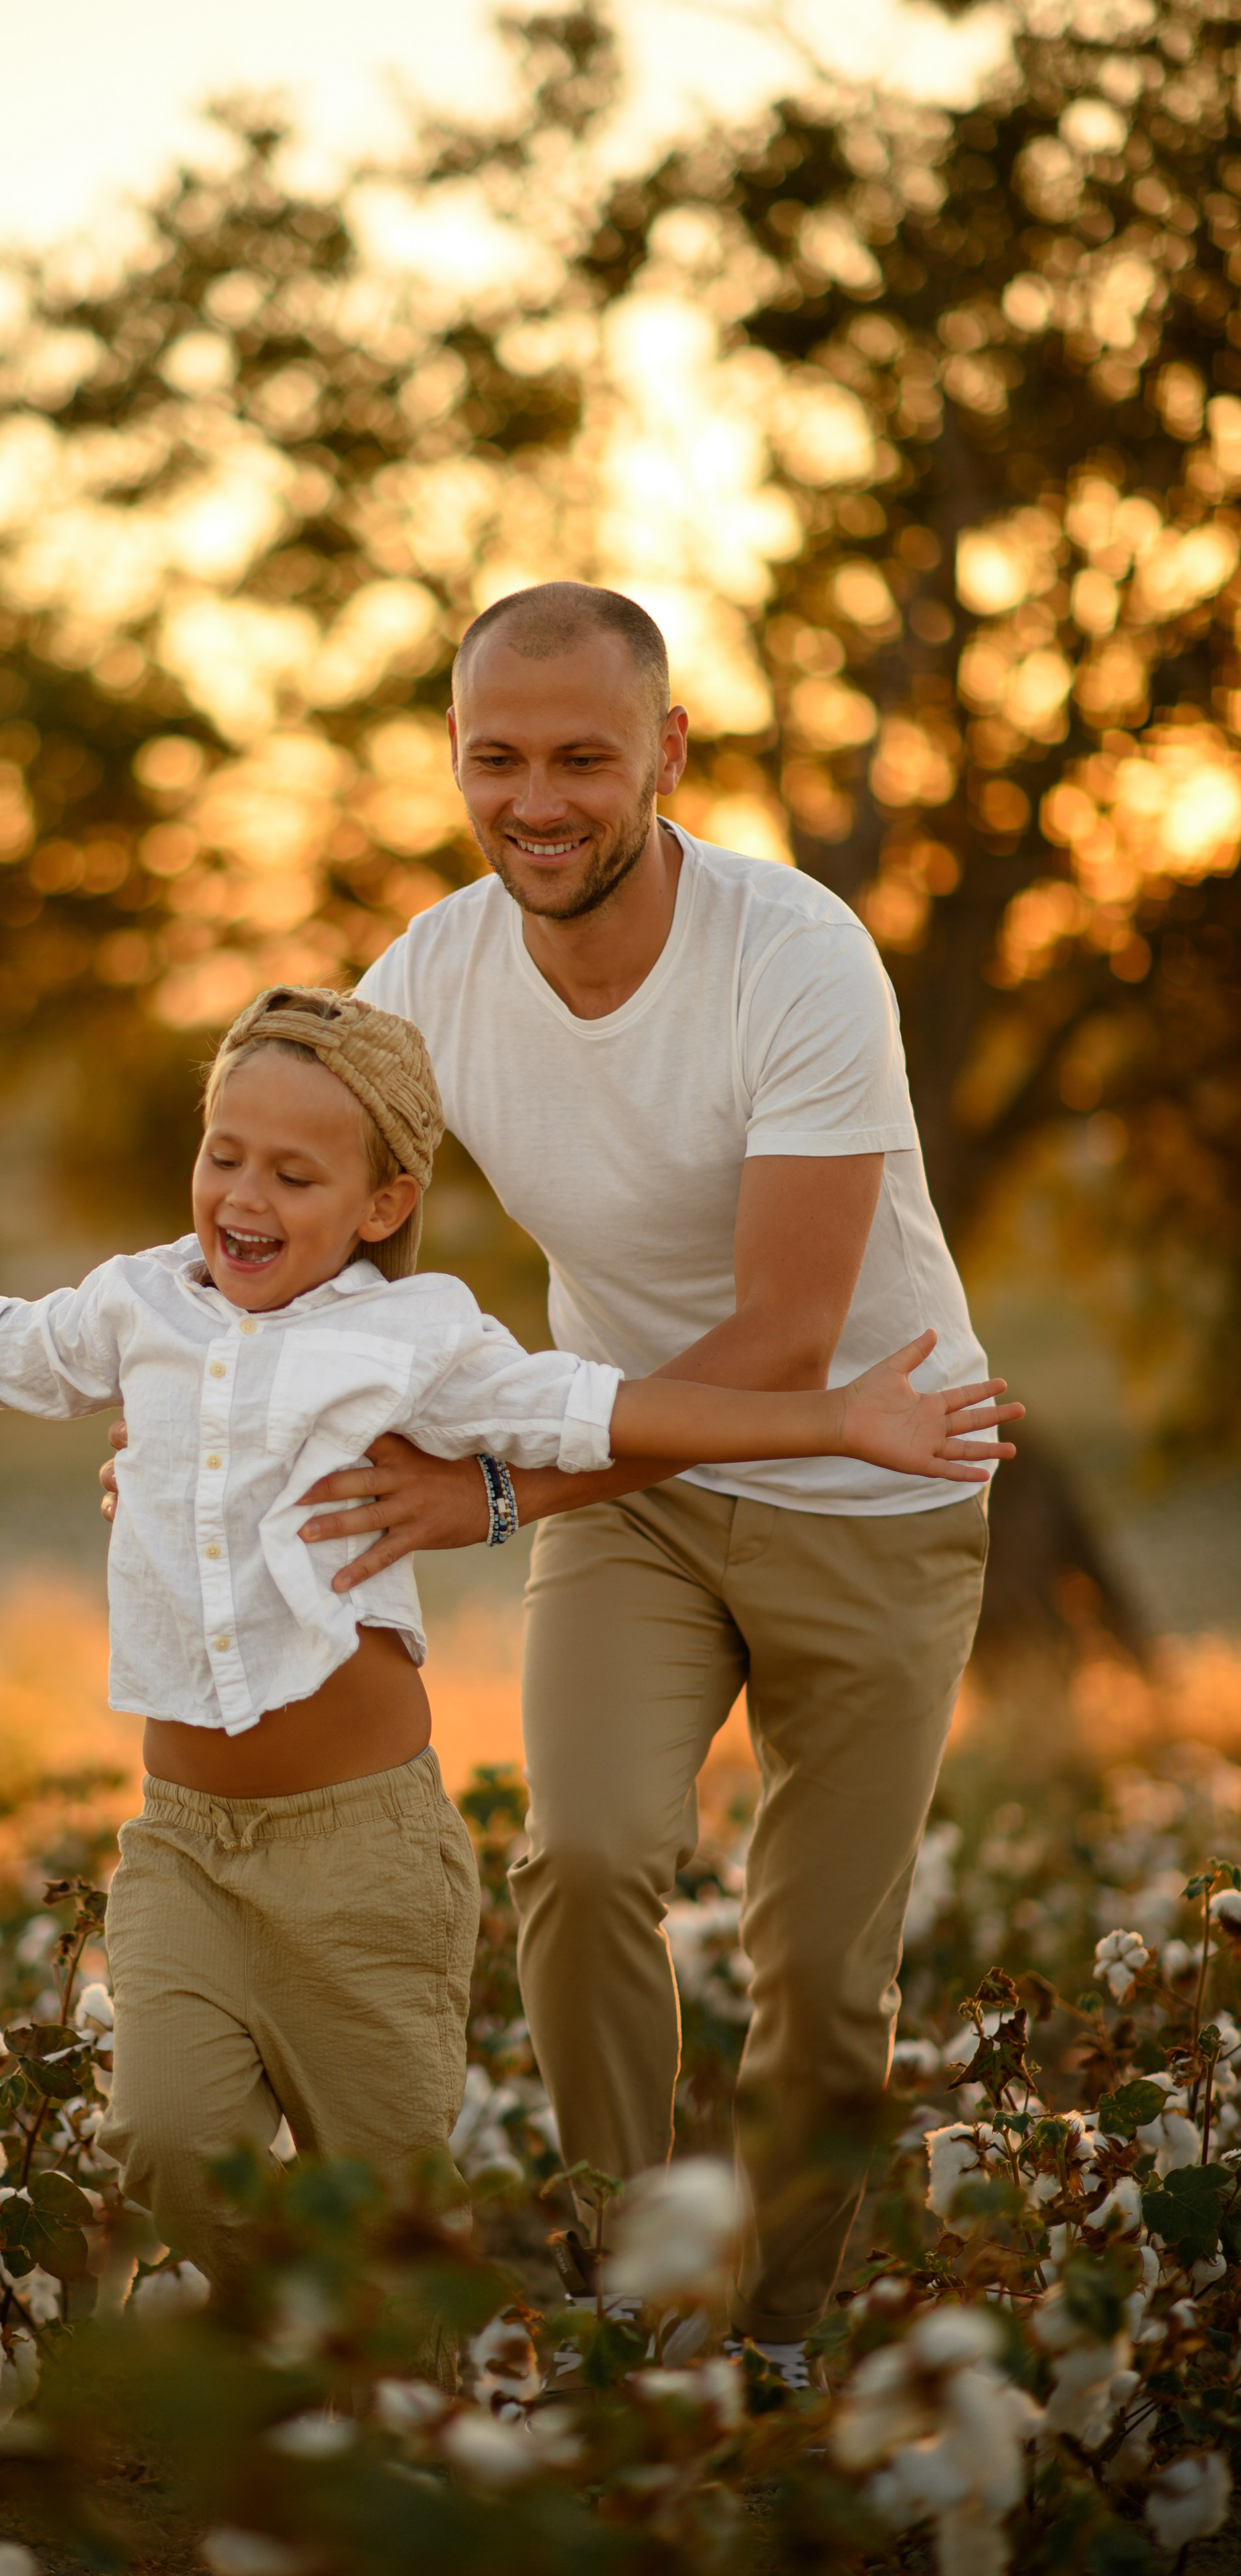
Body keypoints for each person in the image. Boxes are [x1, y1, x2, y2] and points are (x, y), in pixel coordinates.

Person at [0, 984, 1016, 2293]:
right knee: (169, 2143)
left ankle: (412, 2403)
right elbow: (3, 1346)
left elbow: (601, 1411)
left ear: (382, 1204)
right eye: (222, 1155)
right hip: (180, 1846)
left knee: (390, 2229)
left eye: (295, 1174)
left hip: (364, 1862)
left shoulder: (415, 1336)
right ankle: (282, 2376)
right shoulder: (140, 1308)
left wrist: (831, 1421)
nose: (244, 1194)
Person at [267, 583, 1004, 2383]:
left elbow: (779, 1341)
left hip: (876, 1482)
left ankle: (779, 2347)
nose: (539, 798)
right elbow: (294, 1206)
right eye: (495, 757)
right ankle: (644, 2300)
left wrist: (501, 1489)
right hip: (643, 1504)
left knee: (822, 1989)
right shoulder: (429, 978)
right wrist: (203, 1396)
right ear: (453, 760)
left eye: (584, 757)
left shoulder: (794, 953)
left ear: (667, 754)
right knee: (586, 1859)